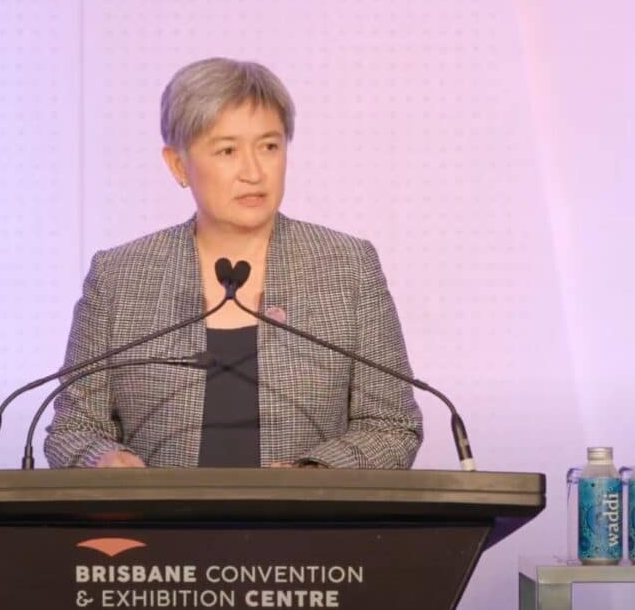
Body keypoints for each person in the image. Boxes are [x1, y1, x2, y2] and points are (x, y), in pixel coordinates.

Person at [44, 58, 422, 470]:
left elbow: (392, 426)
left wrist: (315, 475)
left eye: (270, 147)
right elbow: (73, 430)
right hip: (164, 528)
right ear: (177, 164)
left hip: (302, 529)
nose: (254, 171)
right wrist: (102, 461)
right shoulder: (119, 277)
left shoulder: (347, 267)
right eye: (227, 150)